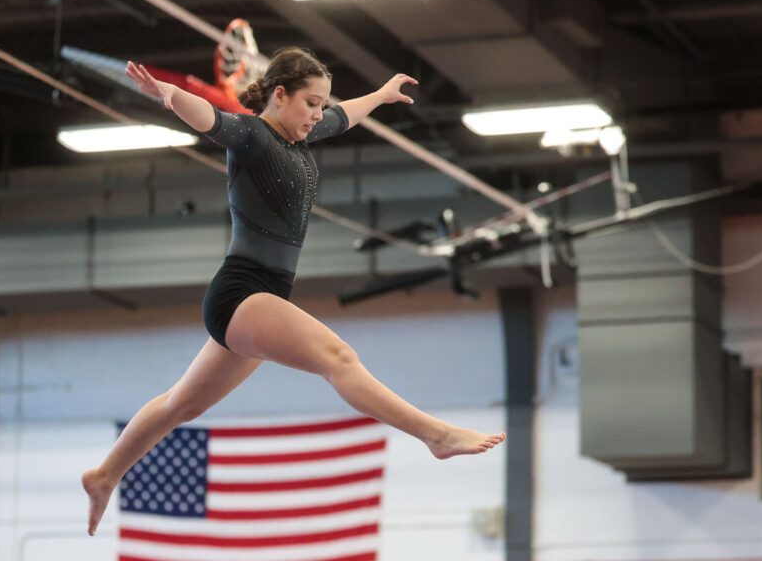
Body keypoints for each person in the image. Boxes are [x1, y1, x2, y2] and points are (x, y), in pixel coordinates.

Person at [82, 47, 506, 536]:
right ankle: (436, 434)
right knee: (339, 359)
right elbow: (211, 120)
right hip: (241, 294)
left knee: (182, 404)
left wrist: (383, 95)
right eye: (310, 103)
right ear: (280, 95)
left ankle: (105, 473)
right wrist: (170, 94)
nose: (318, 115)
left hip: (261, 299)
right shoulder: (252, 136)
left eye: (322, 104)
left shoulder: (303, 135)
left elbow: (344, 118)